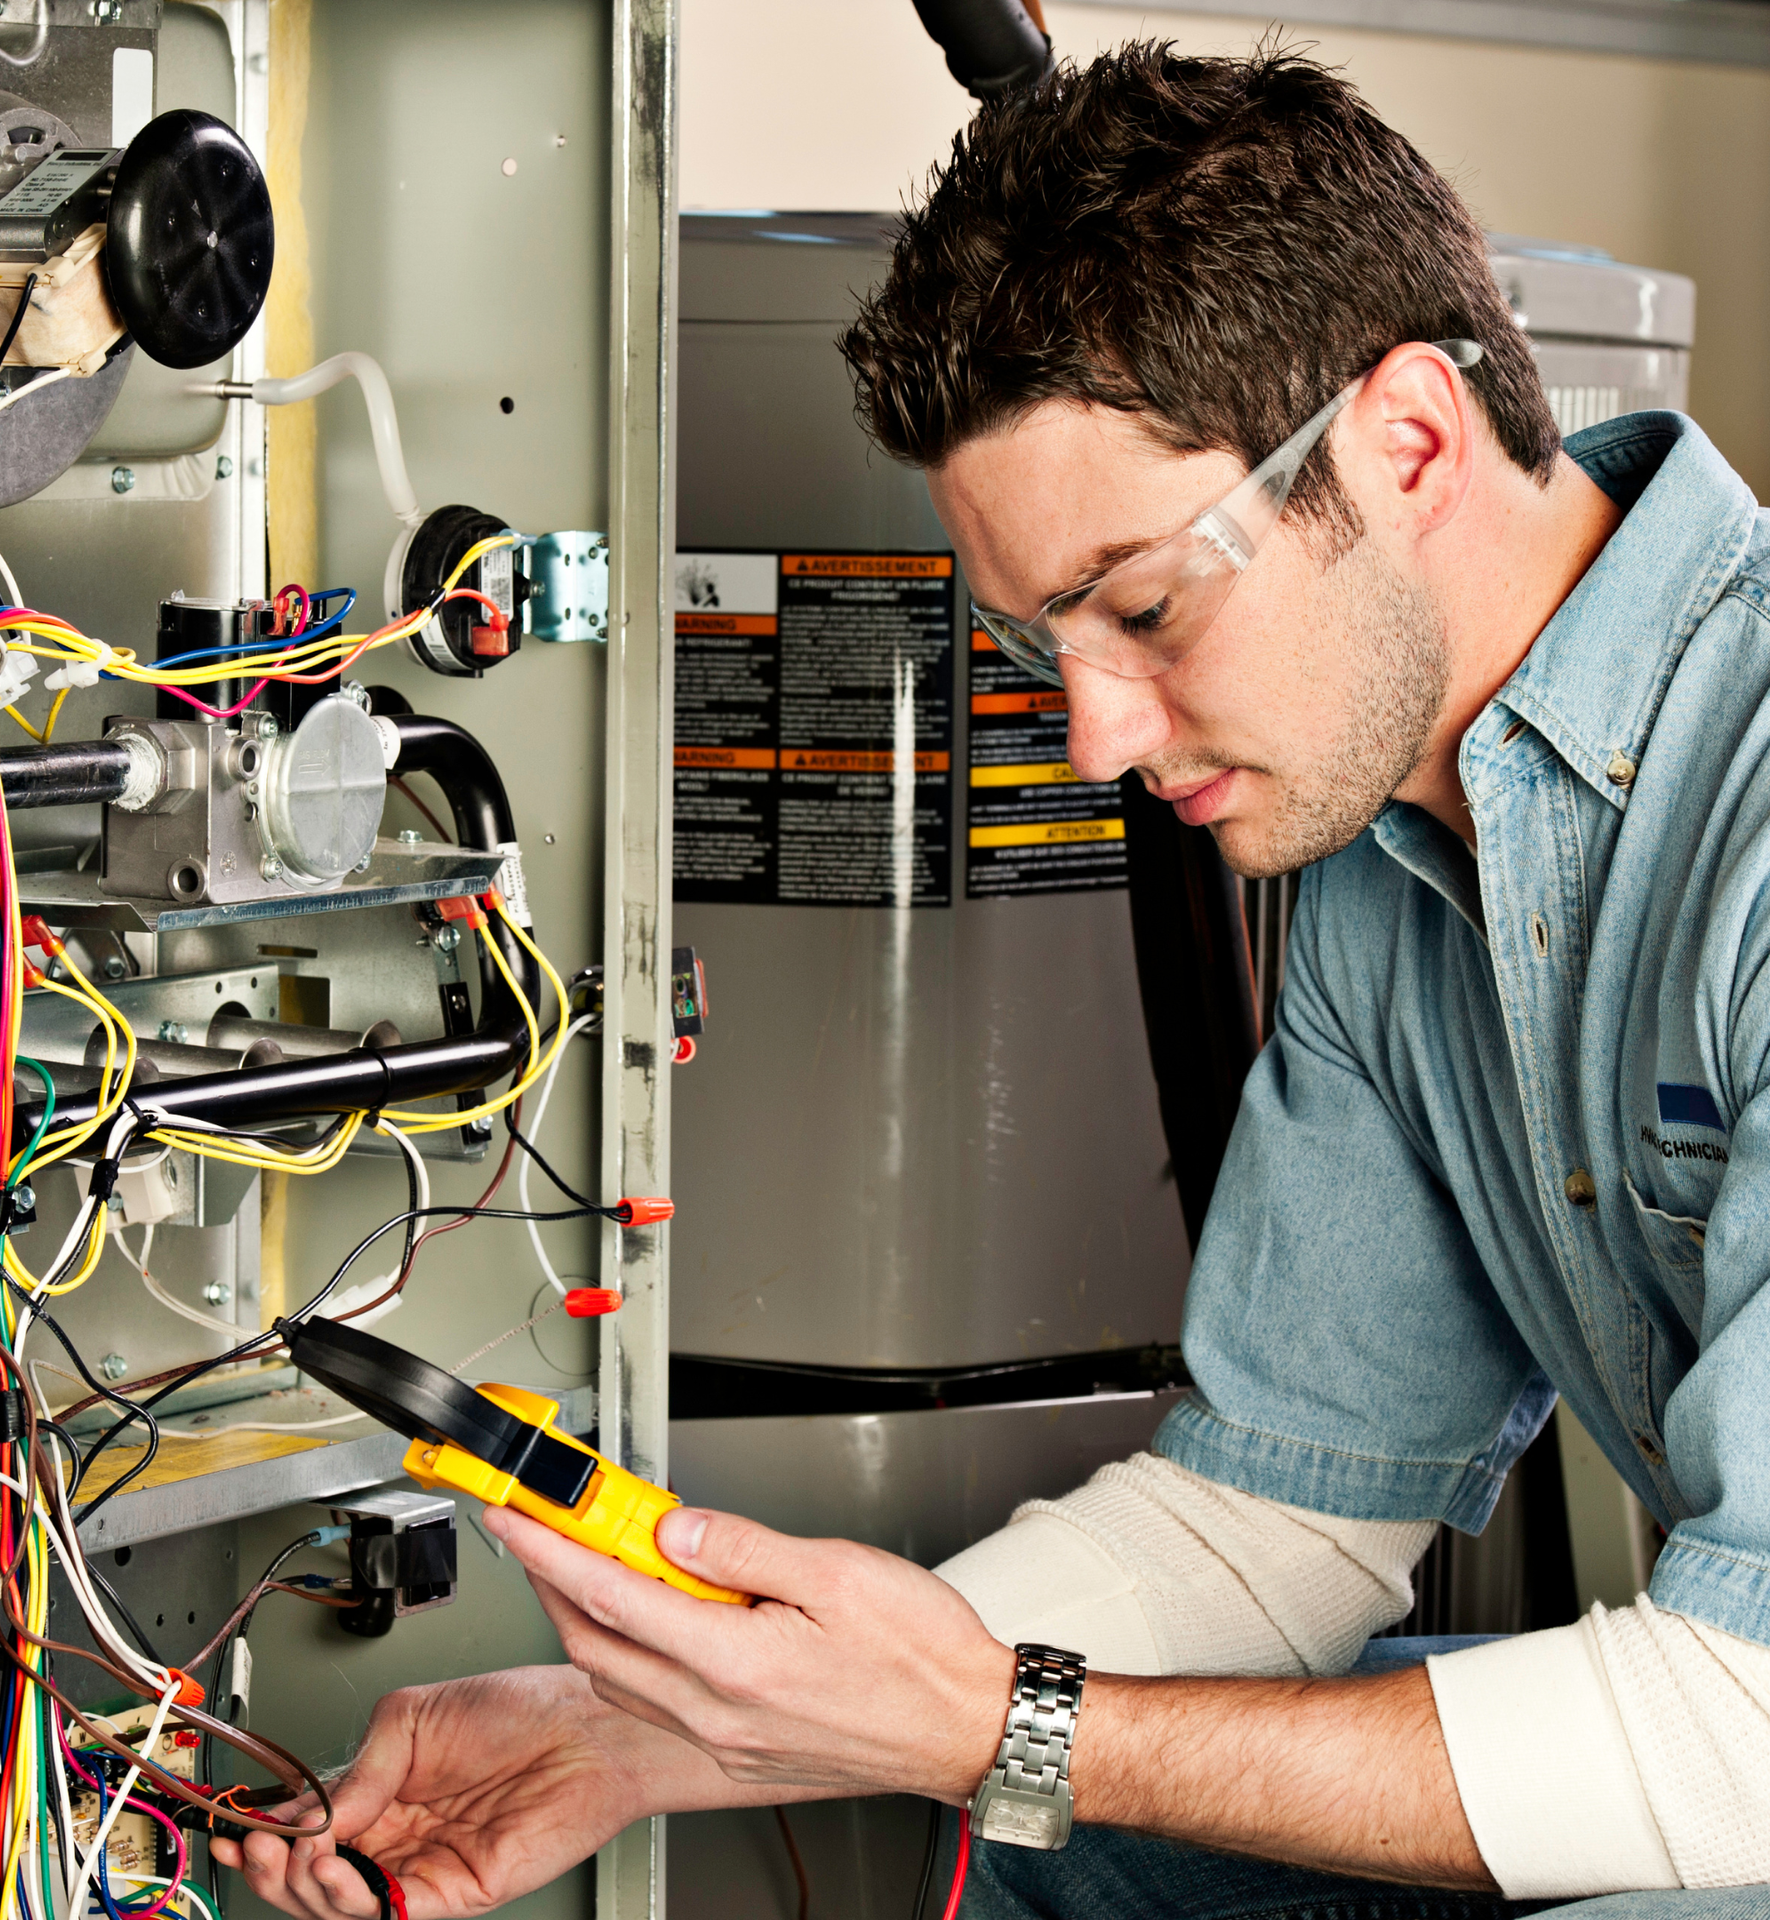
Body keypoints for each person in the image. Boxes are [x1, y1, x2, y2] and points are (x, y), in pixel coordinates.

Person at [216, 42, 1770, 1918]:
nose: (1100, 738)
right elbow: (1284, 1524)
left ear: (1413, 443)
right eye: (1048, 646)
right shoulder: (1396, 857)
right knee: (1074, 1835)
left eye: (1144, 608)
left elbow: (1740, 1734)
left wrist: (995, 1722)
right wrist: (654, 1734)